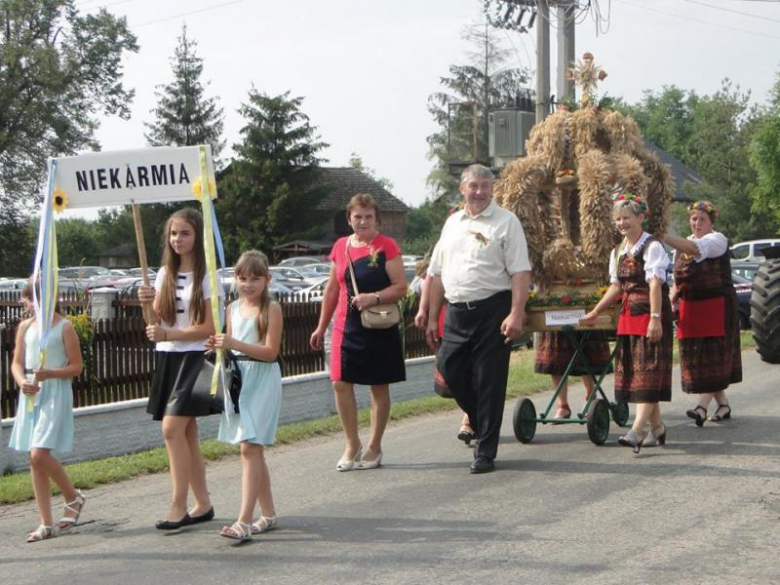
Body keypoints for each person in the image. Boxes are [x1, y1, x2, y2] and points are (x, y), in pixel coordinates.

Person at [426, 164, 532, 474]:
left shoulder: (506, 222)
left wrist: (516, 312)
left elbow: (520, 271)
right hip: (457, 311)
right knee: (449, 367)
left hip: (493, 310)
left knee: (490, 380)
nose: (479, 191)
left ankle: (485, 451)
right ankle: (482, 419)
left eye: (485, 186)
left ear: (492, 189)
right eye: (473, 185)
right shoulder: (452, 224)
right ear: (462, 189)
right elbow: (437, 273)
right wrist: (433, 317)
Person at [310, 193, 407, 471]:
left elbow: (400, 287)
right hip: (345, 326)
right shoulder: (340, 247)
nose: (362, 221)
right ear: (349, 218)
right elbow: (332, 289)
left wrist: (374, 297)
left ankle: (375, 446)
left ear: (377, 218)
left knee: (378, 386)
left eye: (368, 216)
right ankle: (352, 444)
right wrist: (320, 325)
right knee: (340, 382)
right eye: (357, 216)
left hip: (379, 324)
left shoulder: (386, 246)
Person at [138, 207, 221, 529]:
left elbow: (208, 327)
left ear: (197, 237)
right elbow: (159, 322)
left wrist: (168, 333)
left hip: (195, 357)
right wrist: (148, 300)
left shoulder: (207, 275)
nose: (177, 239)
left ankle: (178, 505)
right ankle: (203, 503)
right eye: (173, 233)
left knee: (171, 429)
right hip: (168, 356)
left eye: (184, 233)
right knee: (186, 433)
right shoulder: (162, 274)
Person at [581, 195, 673, 453]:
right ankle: (658, 429)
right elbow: (617, 287)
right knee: (638, 375)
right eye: (618, 219)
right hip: (628, 316)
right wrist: (595, 311)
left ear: (641, 218)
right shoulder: (619, 250)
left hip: (650, 314)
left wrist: (655, 319)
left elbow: (655, 284)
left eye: (627, 218)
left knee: (649, 373)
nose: (622, 223)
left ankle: (637, 429)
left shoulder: (652, 247)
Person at [208, 250, 283, 541]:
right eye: (242, 278)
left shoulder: (271, 309)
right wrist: (218, 346)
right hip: (239, 379)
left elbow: (270, 351)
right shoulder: (231, 307)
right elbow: (229, 345)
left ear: (267, 279)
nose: (248, 284)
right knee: (252, 448)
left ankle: (243, 520)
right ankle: (269, 514)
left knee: (250, 447)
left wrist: (234, 342)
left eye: (255, 278)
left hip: (262, 378)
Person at [9, 280, 85, 543]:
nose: (26, 305)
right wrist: (22, 382)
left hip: (54, 392)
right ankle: (46, 522)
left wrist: (50, 373)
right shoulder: (25, 328)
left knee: (39, 453)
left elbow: (76, 366)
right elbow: (17, 364)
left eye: (29, 299)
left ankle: (72, 496)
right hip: (31, 393)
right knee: (34, 458)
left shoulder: (64, 327)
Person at [664, 201, 742, 425]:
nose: (697, 223)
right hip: (692, 307)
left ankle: (701, 407)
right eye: (694, 219)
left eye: (702, 219)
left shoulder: (717, 240)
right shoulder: (683, 244)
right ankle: (723, 404)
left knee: (714, 356)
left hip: (717, 306)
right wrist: (671, 302)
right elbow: (677, 280)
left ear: (711, 222)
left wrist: (663, 234)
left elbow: (697, 250)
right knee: (697, 358)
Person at [413, 263, 475, 444]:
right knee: (453, 375)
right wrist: (422, 310)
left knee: (472, 372)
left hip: (472, 318)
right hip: (445, 323)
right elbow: (430, 280)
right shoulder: (445, 247)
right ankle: (474, 414)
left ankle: (469, 420)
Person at [534, 331, 611, 420]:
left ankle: (590, 396)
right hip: (556, 321)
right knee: (555, 356)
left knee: (586, 352)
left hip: (585, 323)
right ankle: (563, 406)